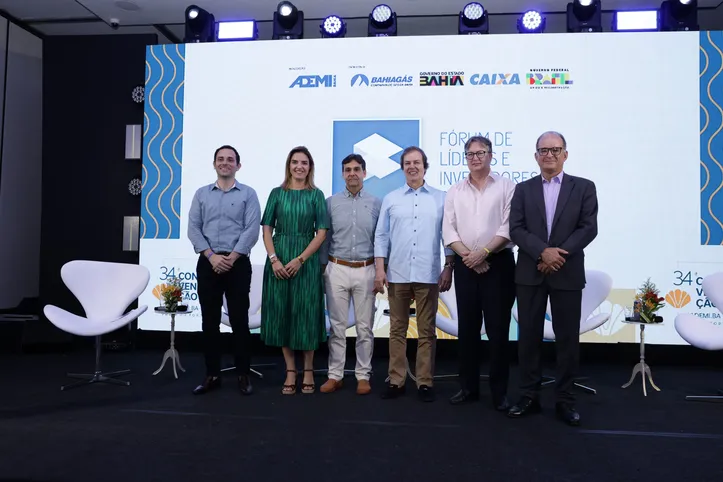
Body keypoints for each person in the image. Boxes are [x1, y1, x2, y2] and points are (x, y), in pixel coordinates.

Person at [507, 131, 598, 426]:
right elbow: (517, 229)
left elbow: (588, 228)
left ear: (565, 154)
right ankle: (528, 396)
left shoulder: (584, 187)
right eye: (543, 150)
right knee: (528, 339)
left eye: (555, 150)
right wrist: (542, 253)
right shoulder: (522, 189)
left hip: (567, 272)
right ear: (535, 156)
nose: (549, 155)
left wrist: (560, 254)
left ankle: (564, 400)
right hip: (530, 273)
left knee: (567, 341)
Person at [442, 135, 516, 411]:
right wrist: (469, 257)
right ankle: (468, 388)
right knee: (468, 331)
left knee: (498, 333)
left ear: (491, 155)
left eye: (480, 153)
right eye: (470, 154)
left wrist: (483, 253)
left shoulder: (507, 187)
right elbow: (448, 230)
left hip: (498, 266)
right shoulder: (455, 191)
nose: (475, 158)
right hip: (465, 266)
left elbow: (508, 228)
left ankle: (500, 393)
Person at [374, 146, 454, 402]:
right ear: (402, 167)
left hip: (428, 274)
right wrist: (379, 268)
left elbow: (448, 237)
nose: (412, 167)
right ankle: (396, 380)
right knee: (397, 329)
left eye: (417, 162)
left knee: (426, 331)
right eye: (407, 163)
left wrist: (448, 266)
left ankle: (425, 382)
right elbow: (381, 236)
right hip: (397, 274)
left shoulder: (441, 198)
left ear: (424, 166)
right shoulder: (391, 198)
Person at [188, 145, 261, 396]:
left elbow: (251, 230)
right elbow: (194, 229)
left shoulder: (248, 194)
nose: (225, 163)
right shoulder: (201, 194)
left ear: (238, 165)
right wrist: (211, 256)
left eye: (230, 160)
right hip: (208, 263)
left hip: (237, 264)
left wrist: (231, 257)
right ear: (214, 164)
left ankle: (243, 375)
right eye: (221, 159)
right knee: (209, 322)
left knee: (239, 322)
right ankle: (212, 375)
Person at [260, 146, 328, 395]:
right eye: (295, 162)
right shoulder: (276, 193)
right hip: (278, 259)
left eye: (305, 163)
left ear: (310, 167)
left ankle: (308, 370)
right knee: (283, 315)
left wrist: (300, 259)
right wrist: (274, 259)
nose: (300, 166)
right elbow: (267, 229)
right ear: (288, 165)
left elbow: (321, 232)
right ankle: (290, 370)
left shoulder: (316, 195)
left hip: (306, 262)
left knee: (306, 315)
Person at [318, 154, 382, 396]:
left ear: (365, 173)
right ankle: (335, 375)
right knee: (337, 327)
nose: (352, 173)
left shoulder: (377, 203)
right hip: (337, 268)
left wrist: (379, 270)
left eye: (357, 169)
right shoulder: (330, 202)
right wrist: (324, 268)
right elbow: (325, 238)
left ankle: (363, 375)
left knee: (365, 328)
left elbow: (381, 238)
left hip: (366, 270)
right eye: (348, 170)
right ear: (342, 174)